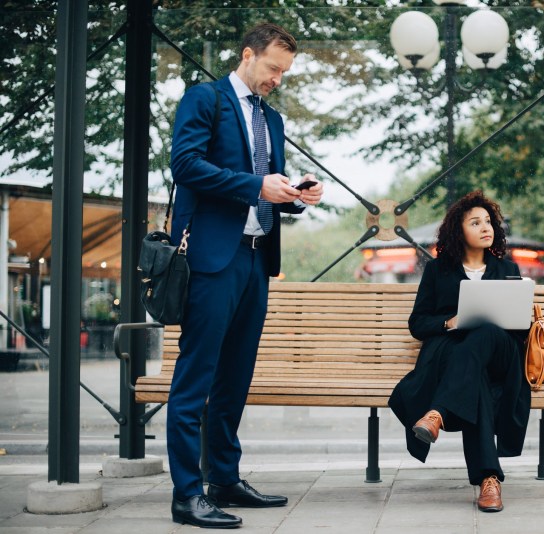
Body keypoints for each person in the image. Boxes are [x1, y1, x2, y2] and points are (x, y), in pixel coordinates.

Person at [167, 22, 324, 529]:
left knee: (235, 378)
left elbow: (268, 189)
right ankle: (187, 494)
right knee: (196, 377)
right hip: (213, 258)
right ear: (248, 55)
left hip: (257, 260)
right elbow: (185, 166)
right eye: (273, 68)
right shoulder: (205, 99)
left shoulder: (271, 118)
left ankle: (224, 479)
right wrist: (256, 185)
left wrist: (297, 195)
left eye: (285, 72)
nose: (278, 78)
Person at [388, 190, 531, 513]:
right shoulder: (438, 270)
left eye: (488, 221)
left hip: (501, 355)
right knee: (475, 380)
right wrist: (449, 322)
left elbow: (521, 328)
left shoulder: (507, 269)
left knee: (486, 332)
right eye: (475, 222)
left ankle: (436, 413)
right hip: (455, 355)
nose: (486, 227)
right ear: (458, 230)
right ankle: (489, 480)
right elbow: (418, 323)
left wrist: (516, 315)